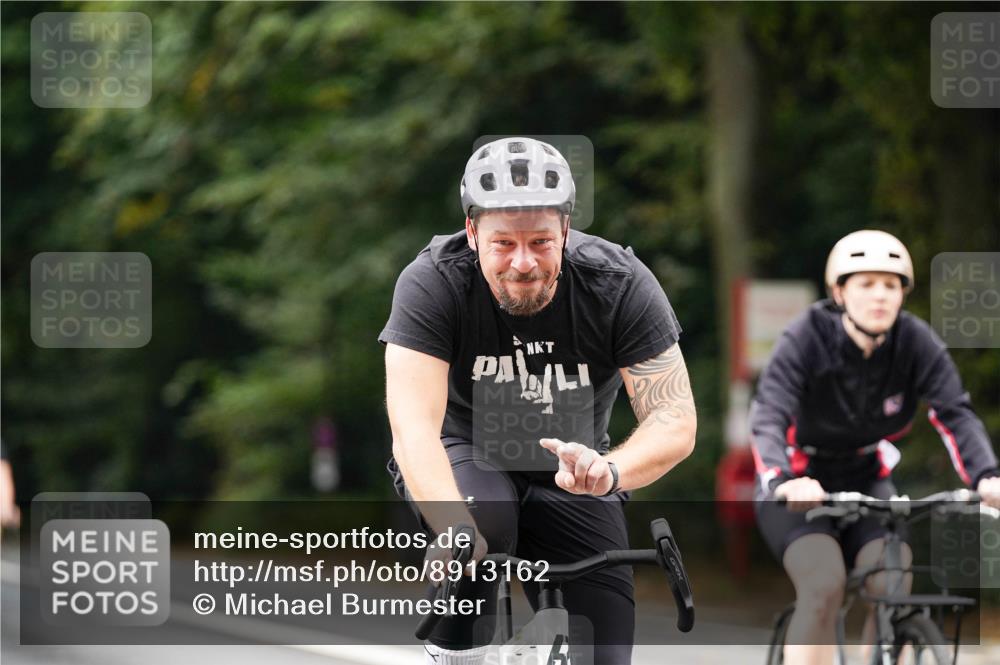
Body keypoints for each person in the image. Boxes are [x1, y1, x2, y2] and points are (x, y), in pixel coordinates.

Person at [379, 137, 697, 665]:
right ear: (473, 232)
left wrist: (609, 470)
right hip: (465, 454)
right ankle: (459, 653)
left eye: (542, 242)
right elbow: (413, 427)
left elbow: (675, 419)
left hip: (574, 466)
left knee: (604, 652)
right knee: (483, 529)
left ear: (566, 232)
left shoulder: (617, 284)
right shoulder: (433, 282)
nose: (523, 263)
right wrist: (451, 525)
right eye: (503, 243)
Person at [750, 230, 1000, 665]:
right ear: (839, 292)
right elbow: (770, 414)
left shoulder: (915, 342)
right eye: (866, 284)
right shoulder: (806, 336)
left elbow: (954, 413)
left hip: (867, 478)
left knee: (894, 584)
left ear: (903, 294)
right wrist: (780, 478)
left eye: (891, 285)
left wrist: (987, 477)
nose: (879, 296)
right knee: (823, 584)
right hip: (799, 482)